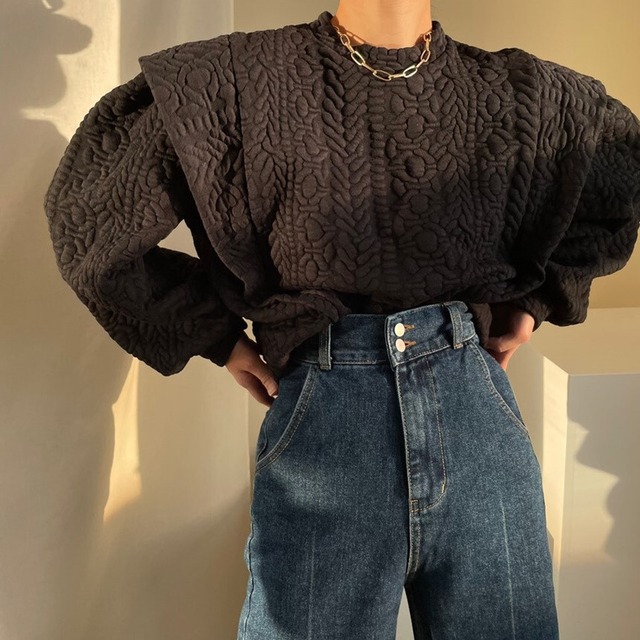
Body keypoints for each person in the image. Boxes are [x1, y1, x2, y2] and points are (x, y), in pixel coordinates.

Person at [44, 1, 639, 638]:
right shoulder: (228, 80)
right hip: (332, 426)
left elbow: (621, 175)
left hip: (476, 429)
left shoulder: (527, 93)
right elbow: (91, 227)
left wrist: (536, 301)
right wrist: (213, 336)